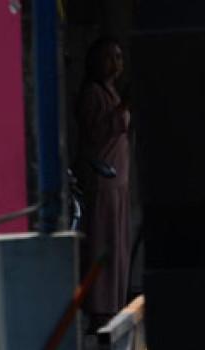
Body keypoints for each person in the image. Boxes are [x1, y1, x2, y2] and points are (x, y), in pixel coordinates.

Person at [75, 36, 131, 329]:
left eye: (119, 57)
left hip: (118, 181)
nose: (116, 63)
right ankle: (99, 306)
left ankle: (113, 302)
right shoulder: (92, 94)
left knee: (116, 242)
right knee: (101, 241)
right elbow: (97, 132)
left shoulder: (111, 91)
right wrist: (123, 110)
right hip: (102, 179)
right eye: (110, 57)